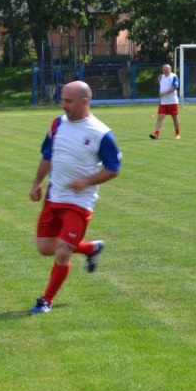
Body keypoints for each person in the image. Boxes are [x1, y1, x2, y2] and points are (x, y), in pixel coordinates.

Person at [27, 80, 121, 314]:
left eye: (68, 101)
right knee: (45, 247)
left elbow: (113, 168)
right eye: (62, 99)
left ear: (84, 102)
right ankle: (90, 249)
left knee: (62, 252)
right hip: (54, 197)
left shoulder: (101, 133)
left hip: (79, 202)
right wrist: (37, 183)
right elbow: (47, 156)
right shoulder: (57, 124)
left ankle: (46, 300)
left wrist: (86, 182)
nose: (63, 105)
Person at [150, 63, 180, 139]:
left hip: (172, 101)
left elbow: (175, 87)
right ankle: (156, 135)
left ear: (170, 69)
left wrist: (164, 93)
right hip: (163, 102)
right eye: (164, 69)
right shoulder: (161, 77)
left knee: (175, 118)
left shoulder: (174, 76)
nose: (165, 71)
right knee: (160, 117)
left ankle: (177, 134)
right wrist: (161, 96)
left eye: (167, 69)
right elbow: (162, 86)